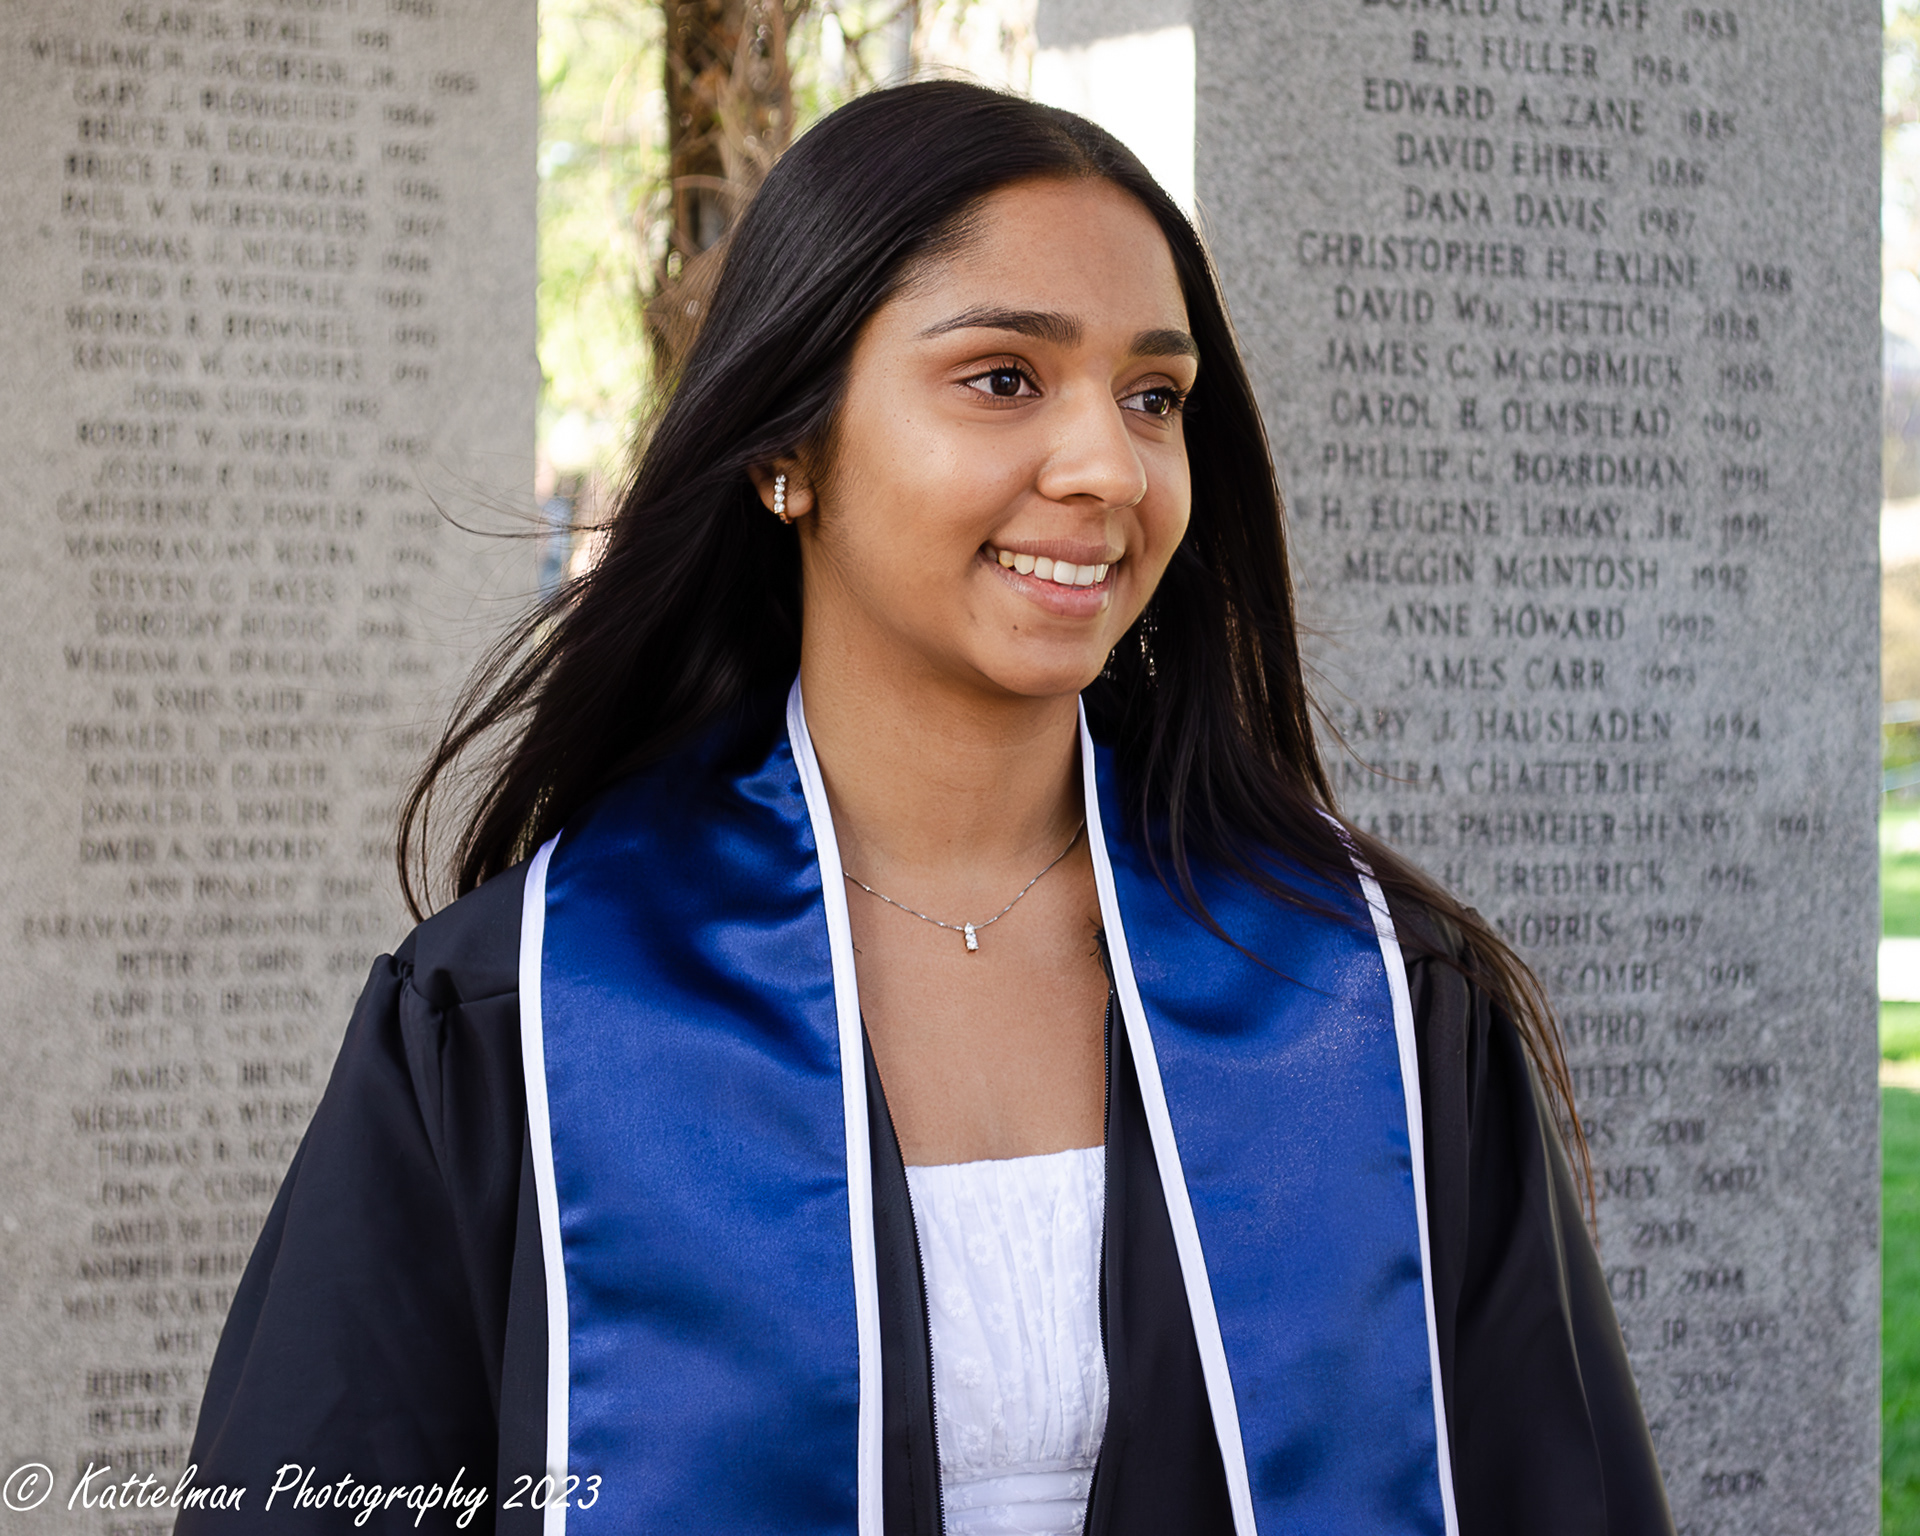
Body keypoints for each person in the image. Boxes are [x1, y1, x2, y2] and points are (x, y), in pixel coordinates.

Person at [179, 82, 1674, 1535]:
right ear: (787, 449)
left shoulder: (1369, 1009)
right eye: (1004, 378)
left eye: (1153, 397)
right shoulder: (520, 1022)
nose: (1108, 467)